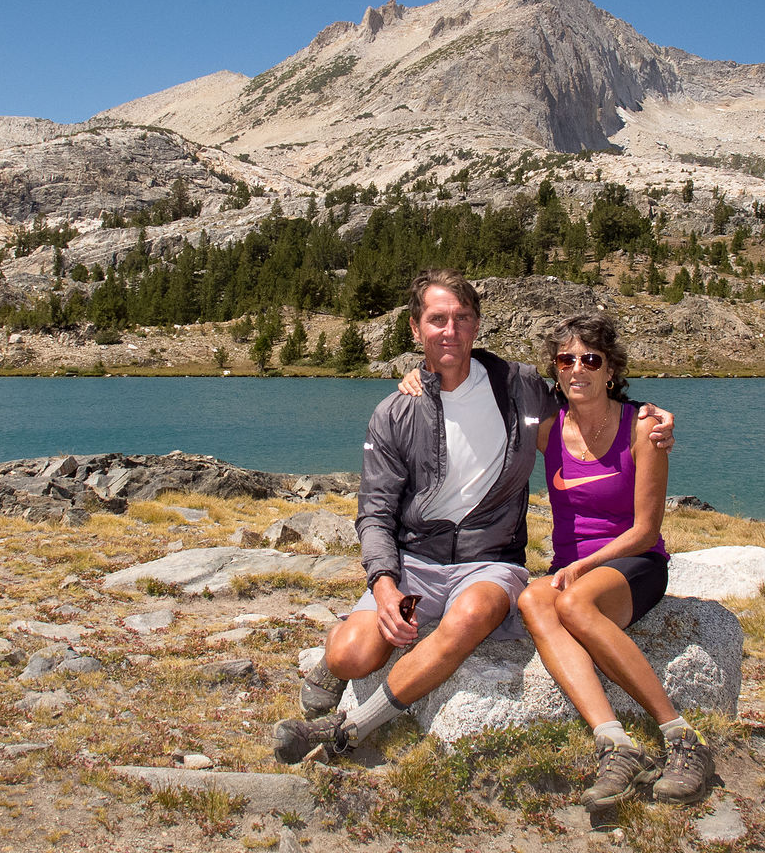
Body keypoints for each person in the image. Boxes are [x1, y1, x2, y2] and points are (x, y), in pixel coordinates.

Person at [270, 270, 674, 765]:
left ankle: (350, 728)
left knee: (472, 615)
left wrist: (649, 416)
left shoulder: (520, 387)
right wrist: (385, 584)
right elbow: (374, 512)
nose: (450, 330)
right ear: (416, 329)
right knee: (353, 655)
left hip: (488, 562)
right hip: (418, 562)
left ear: (477, 325)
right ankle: (332, 657)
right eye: (437, 319)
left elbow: (590, 409)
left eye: (461, 318)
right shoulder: (396, 411)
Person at [397, 312, 713, 808]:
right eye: (566, 360)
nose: (577, 370)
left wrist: (584, 568)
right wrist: (425, 371)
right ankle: (615, 743)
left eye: (591, 359)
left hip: (634, 563)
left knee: (573, 603)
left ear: (611, 368)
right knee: (533, 601)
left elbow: (645, 529)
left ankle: (681, 738)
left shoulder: (644, 426)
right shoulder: (548, 428)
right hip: (572, 570)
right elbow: (486, 385)